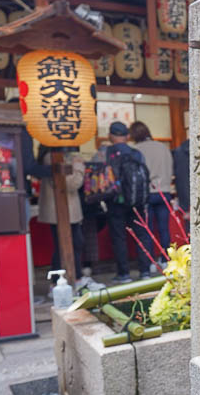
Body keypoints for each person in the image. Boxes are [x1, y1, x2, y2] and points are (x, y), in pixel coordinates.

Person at [95, 121, 149, 283]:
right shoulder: (137, 153)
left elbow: (98, 177)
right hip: (137, 200)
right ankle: (145, 271)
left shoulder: (104, 153)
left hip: (115, 201)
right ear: (126, 136)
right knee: (141, 235)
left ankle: (124, 274)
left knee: (119, 237)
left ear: (110, 136)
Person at [37, 146, 97, 290]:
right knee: (67, 245)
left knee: (70, 244)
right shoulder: (53, 157)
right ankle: (66, 281)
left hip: (64, 209)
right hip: (62, 209)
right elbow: (71, 183)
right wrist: (78, 166)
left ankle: (70, 279)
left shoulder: (49, 155)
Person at [130, 121, 173, 269]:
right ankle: (166, 259)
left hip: (147, 194)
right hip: (164, 191)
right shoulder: (163, 147)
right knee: (164, 229)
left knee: (146, 230)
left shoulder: (136, 150)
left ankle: (149, 263)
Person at [172, 137, 190, 231]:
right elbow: (182, 180)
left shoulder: (180, 151)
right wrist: (185, 207)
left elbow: (181, 180)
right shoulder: (181, 152)